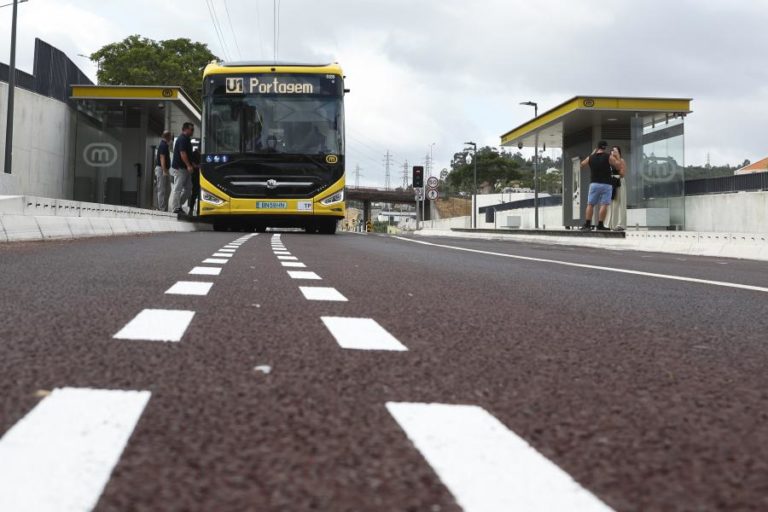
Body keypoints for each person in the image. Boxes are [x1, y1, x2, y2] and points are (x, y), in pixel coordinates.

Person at [580, 140, 621, 230]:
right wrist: (617, 156)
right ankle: (600, 225)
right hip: (606, 184)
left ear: (597, 147)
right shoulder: (608, 157)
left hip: (594, 184)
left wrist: (591, 155)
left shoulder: (591, 157)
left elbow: (582, 164)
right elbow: (618, 166)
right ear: (605, 147)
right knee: (604, 205)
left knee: (590, 204)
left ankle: (587, 224)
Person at [169, 122, 196, 214]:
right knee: (178, 188)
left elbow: (188, 154)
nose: (193, 131)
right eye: (191, 129)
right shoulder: (182, 139)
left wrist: (192, 165)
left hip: (185, 168)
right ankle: (175, 208)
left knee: (188, 189)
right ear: (185, 129)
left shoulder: (187, 140)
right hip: (180, 168)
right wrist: (189, 165)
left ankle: (178, 205)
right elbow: (183, 153)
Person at [606, 146, 627, 231]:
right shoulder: (609, 161)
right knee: (611, 203)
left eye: (615, 151)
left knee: (620, 202)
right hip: (610, 182)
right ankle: (610, 224)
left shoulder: (621, 160)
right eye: (612, 151)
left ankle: (620, 224)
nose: (613, 152)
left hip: (618, 181)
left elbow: (622, 174)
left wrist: (618, 160)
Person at [154, 131, 172, 211]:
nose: (171, 138)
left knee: (168, 189)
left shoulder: (165, 145)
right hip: (162, 169)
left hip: (165, 169)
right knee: (162, 190)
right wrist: (164, 170)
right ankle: (162, 208)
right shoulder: (163, 145)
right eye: (170, 136)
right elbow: (162, 158)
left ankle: (164, 208)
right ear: (167, 137)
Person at [187, 148, 201, 215]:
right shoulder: (194, 153)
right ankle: (191, 209)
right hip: (196, 176)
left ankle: (198, 210)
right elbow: (192, 163)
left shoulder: (199, 154)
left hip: (199, 176)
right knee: (195, 193)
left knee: (198, 194)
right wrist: (199, 166)